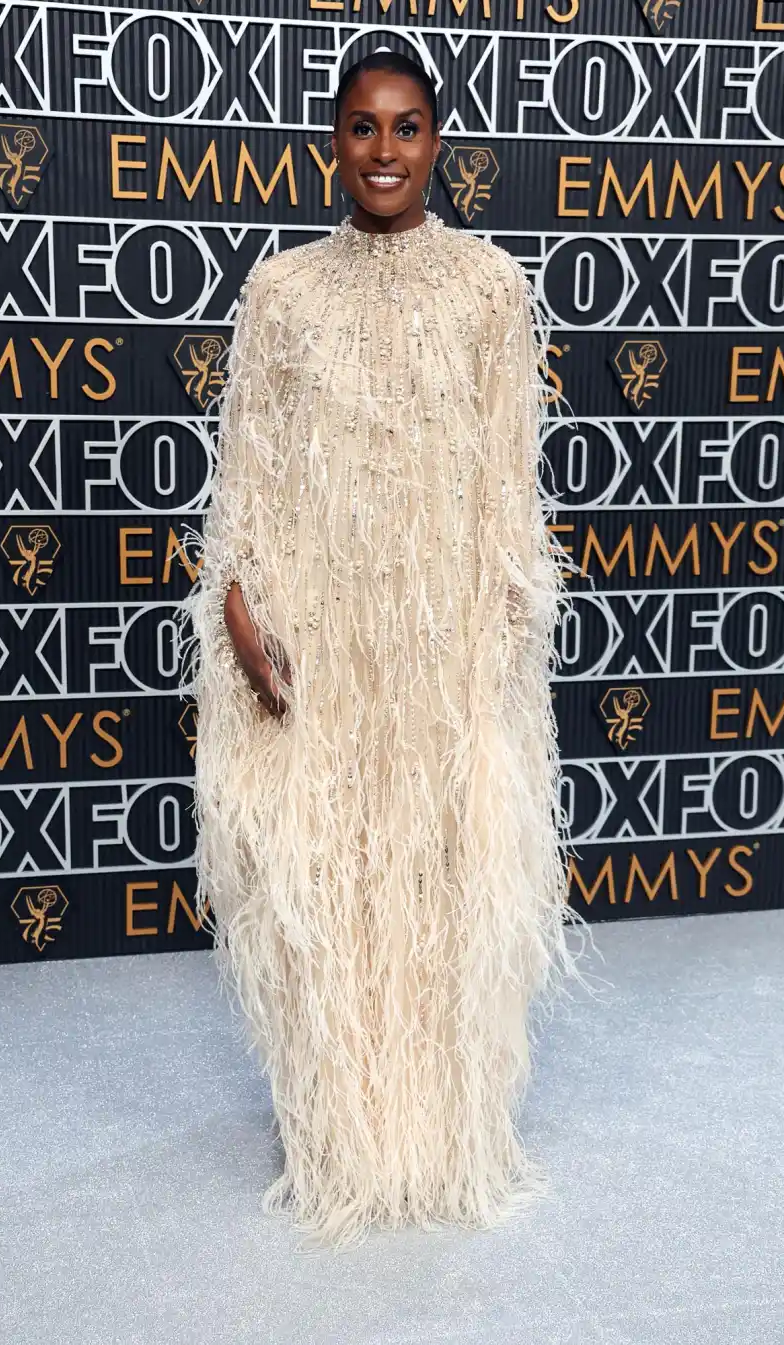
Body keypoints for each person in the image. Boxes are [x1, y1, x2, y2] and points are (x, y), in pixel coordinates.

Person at [187, 50, 600, 1251]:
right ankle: (346, 1134)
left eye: (406, 127)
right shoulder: (281, 293)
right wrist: (241, 614)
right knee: (330, 884)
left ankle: (440, 1136)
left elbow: (509, 484)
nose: (383, 150)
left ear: (437, 143)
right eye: (362, 128)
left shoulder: (488, 289)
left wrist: (498, 641)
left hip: (441, 647)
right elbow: (248, 470)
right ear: (334, 143)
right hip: (321, 649)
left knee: (440, 883)